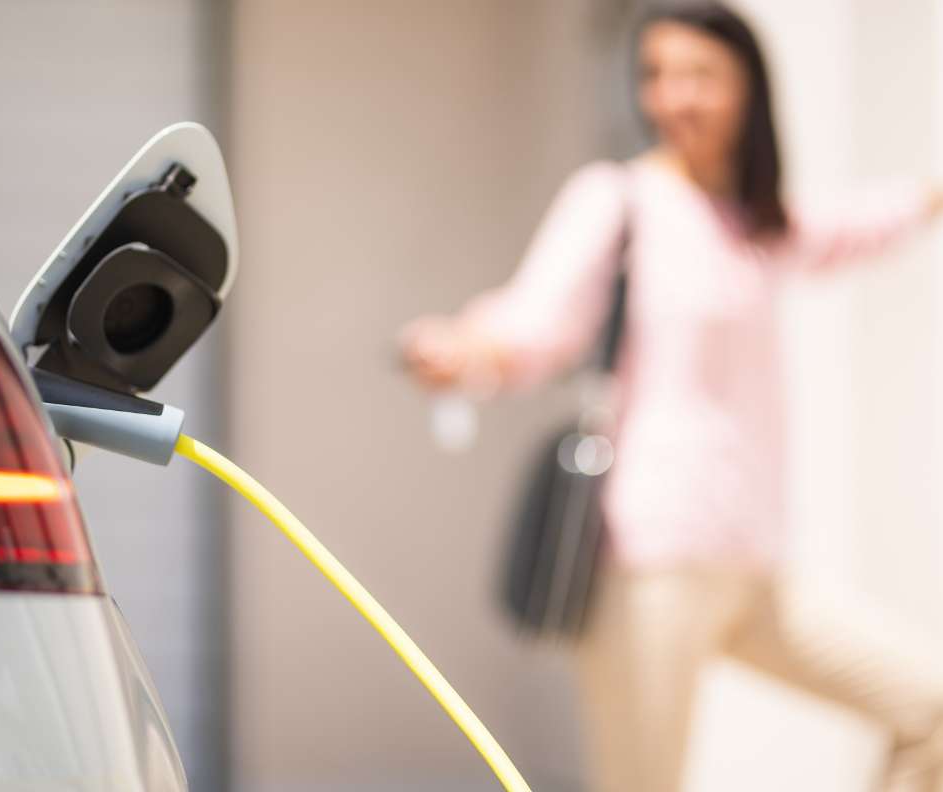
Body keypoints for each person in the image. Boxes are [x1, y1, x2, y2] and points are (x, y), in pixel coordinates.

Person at [400, 3, 943, 791]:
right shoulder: (618, 199)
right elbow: (537, 318)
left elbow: (857, 222)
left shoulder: (758, 225)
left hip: (755, 568)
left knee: (927, 707)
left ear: (747, 89)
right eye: (656, 76)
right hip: (649, 564)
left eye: (698, 76)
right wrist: (467, 347)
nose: (671, 97)